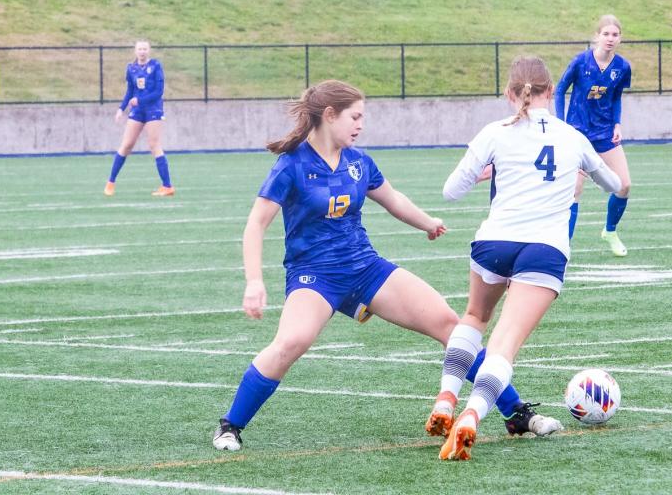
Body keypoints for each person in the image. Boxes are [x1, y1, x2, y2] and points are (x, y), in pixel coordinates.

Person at [212, 80, 559, 452]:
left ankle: (515, 412)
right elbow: (255, 224)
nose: (361, 125)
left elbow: (392, 198)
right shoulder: (292, 164)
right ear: (330, 116)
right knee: (290, 342)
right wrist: (253, 281)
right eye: (355, 117)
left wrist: (427, 222)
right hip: (315, 276)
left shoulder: (358, 161)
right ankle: (230, 425)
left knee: (450, 325)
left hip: (366, 268)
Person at [436, 56, 622, 461]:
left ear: (509, 93)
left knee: (473, 319)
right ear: (552, 91)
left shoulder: (495, 132)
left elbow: (451, 190)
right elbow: (617, 185)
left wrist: (488, 171)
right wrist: (587, 174)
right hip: (544, 248)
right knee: (504, 343)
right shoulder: (572, 136)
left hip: (494, 243)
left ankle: (446, 398)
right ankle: (472, 414)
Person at [554, 14, 632, 257]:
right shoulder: (581, 62)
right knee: (575, 190)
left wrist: (617, 123)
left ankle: (610, 231)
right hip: (578, 134)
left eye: (615, 34)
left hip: (605, 133)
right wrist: (562, 124)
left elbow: (616, 96)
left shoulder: (622, 67)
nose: (610, 38)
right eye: (606, 34)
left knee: (624, 185)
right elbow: (559, 90)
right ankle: (563, 247)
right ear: (597, 36)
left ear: (620, 38)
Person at [104, 40, 174, 196]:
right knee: (127, 144)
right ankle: (110, 183)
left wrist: (140, 100)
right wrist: (121, 109)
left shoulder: (156, 66)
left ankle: (167, 186)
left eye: (145, 49)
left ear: (149, 51)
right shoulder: (131, 68)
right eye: (139, 49)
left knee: (154, 145)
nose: (142, 51)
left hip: (153, 109)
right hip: (137, 110)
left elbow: (159, 91)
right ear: (135, 51)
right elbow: (130, 91)